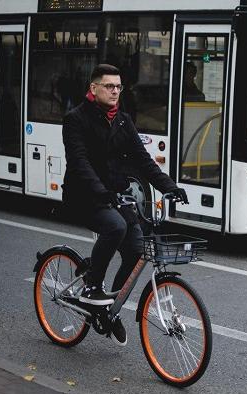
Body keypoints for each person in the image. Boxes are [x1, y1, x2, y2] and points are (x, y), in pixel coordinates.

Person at [61, 64, 188, 346]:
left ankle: (108, 311)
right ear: (94, 88)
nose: (115, 91)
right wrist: (101, 191)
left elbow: (144, 160)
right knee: (115, 227)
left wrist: (171, 187)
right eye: (109, 86)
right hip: (84, 196)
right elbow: (79, 162)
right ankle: (92, 287)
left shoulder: (122, 120)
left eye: (118, 86)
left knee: (136, 251)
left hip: (115, 196)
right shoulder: (76, 119)